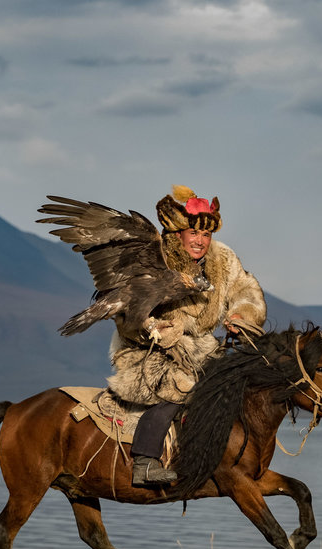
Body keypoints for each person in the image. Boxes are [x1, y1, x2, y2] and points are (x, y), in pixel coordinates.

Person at [106, 185, 267, 487]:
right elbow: (128, 314)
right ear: (179, 233)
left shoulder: (223, 261)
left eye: (206, 235)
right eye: (194, 233)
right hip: (148, 348)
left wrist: (240, 316)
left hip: (203, 349)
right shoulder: (156, 259)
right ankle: (145, 461)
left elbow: (246, 290)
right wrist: (160, 331)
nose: (200, 241)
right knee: (179, 387)